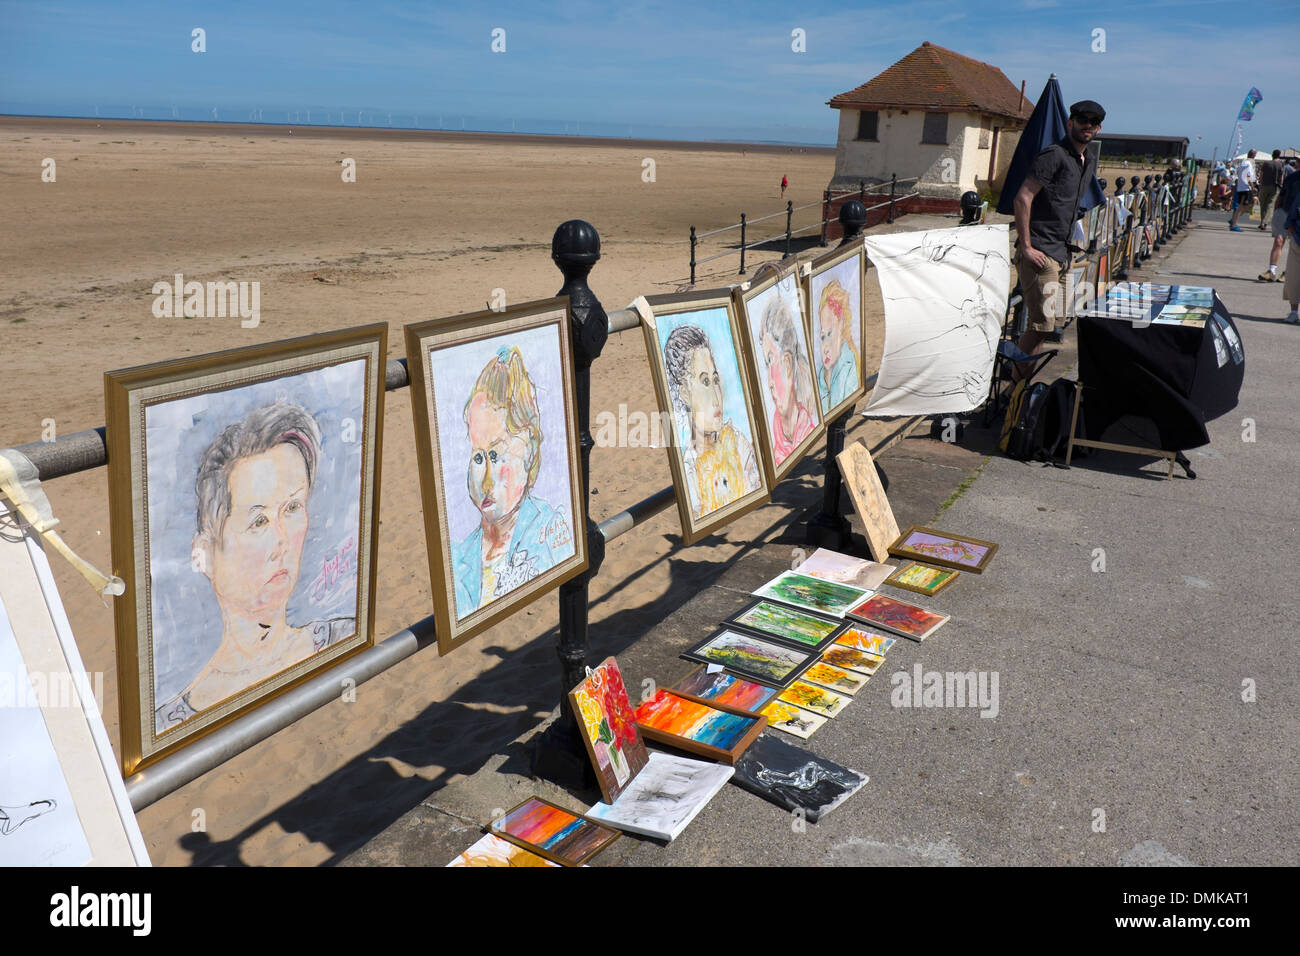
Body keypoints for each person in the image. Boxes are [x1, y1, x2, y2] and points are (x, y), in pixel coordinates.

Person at [156, 402, 353, 730]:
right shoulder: (172, 724)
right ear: (204, 554)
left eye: (292, 508)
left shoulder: (343, 639)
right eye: (258, 521)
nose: (282, 541)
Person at [451, 346, 572, 618]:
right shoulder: (459, 555)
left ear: (529, 451)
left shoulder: (551, 532)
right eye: (478, 458)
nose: (486, 481)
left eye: (496, 454)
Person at [1012, 99, 1104, 377]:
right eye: (1082, 120)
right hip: (1041, 251)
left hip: (1063, 252)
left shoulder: (1088, 160)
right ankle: (1016, 389)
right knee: (1039, 325)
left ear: (1098, 128)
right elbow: (1023, 198)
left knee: (1050, 325)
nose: (1087, 125)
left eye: (1093, 122)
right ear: (1070, 123)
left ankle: (1022, 385)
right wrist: (1026, 246)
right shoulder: (1053, 155)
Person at [662, 324, 761, 517]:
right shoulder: (689, 472)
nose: (717, 398)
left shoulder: (738, 443)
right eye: (705, 382)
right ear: (684, 393)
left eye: (715, 380)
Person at [759, 293, 816, 460]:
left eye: (771, 360)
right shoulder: (771, 443)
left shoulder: (808, 431)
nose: (769, 382)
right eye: (766, 364)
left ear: (788, 364)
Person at [814, 278, 862, 411]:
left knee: (838, 429)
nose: (826, 347)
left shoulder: (848, 365)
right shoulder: (821, 375)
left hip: (840, 415)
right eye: (822, 337)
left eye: (830, 334)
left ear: (842, 327)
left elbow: (838, 406)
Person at [1259, 162, 1300, 282]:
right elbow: (1282, 195)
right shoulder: (1291, 177)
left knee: (1295, 245)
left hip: (1297, 216)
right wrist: (1277, 210)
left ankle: (1288, 273)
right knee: (1278, 241)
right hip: (1285, 211)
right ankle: (1271, 271)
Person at [1282, 181, 1300, 324]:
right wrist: (1292, 231)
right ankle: (1294, 311)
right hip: (1297, 242)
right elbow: (1291, 217)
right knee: (1293, 278)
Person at [1256, 149, 1286, 230]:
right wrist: (1281, 185)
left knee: (1263, 205)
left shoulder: (1266, 163)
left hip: (1264, 186)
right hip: (1275, 187)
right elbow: (1281, 177)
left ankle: (1262, 221)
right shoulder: (1280, 164)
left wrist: (1260, 185)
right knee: (1270, 205)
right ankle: (1265, 222)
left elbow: (1261, 175)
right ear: (1279, 156)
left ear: (1272, 155)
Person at [1229, 149, 1257, 231]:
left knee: (1244, 206)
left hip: (1241, 187)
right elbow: (1248, 177)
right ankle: (1234, 223)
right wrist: (1252, 186)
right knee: (1243, 207)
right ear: (1254, 156)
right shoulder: (1249, 164)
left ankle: (1233, 220)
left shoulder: (1243, 163)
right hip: (1246, 188)